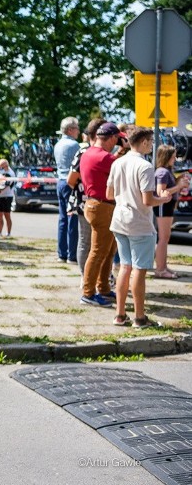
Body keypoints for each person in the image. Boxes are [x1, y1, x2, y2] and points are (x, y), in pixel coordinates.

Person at [106, 126, 173, 328]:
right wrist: (163, 199)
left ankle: (120, 314)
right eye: (151, 142)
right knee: (139, 271)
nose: (152, 145)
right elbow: (147, 200)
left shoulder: (118, 162)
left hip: (119, 220)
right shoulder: (145, 166)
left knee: (124, 268)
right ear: (143, 142)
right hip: (139, 224)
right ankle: (140, 318)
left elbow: (109, 194)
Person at [79, 121, 129, 307]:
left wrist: (119, 152)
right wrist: (127, 151)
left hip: (96, 204)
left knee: (107, 251)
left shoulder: (89, 153)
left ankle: (104, 289)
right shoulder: (105, 158)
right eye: (118, 140)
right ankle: (88, 293)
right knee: (99, 251)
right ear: (113, 138)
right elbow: (122, 170)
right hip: (103, 207)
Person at [66, 118, 106, 276]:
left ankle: (95, 277)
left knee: (95, 242)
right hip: (86, 202)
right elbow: (71, 179)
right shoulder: (84, 152)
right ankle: (85, 277)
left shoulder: (101, 153)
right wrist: (86, 190)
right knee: (86, 240)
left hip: (96, 202)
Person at [153, 144, 190, 279]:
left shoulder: (166, 171)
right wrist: (178, 186)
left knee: (165, 237)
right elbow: (160, 192)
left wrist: (178, 182)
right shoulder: (162, 172)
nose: (174, 159)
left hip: (167, 206)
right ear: (166, 157)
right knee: (163, 238)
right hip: (163, 206)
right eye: (173, 157)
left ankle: (163, 266)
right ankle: (160, 269)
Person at [54, 116, 81, 263]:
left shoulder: (58, 144)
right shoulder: (74, 145)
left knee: (63, 219)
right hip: (71, 183)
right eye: (77, 128)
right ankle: (72, 255)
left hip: (60, 181)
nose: (78, 131)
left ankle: (61, 253)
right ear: (70, 130)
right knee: (73, 218)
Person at [0, 158, 16, 237]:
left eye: (1, 167)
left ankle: (8, 233)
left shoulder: (10, 173)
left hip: (7, 196)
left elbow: (3, 186)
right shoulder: (0, 171)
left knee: (7, 215)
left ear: (6, 166)